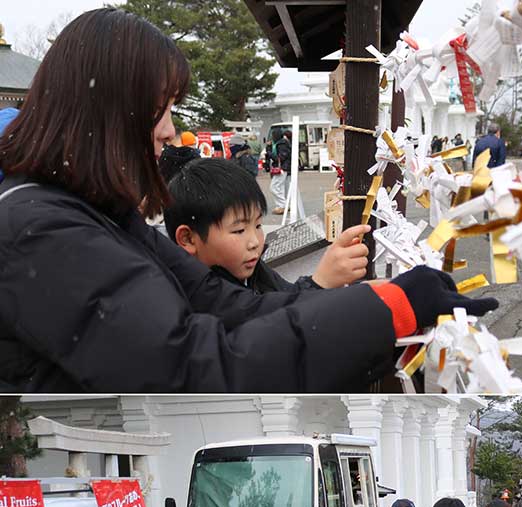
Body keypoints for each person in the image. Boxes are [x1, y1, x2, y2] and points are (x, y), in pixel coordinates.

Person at [0, 10, 493, 392]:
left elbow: (226, 306)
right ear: (107, 113)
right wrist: (383, 312)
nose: (170, 131)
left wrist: (379, 301)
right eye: (159, 111)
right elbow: (194, 368)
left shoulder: (100, 214)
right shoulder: (41, 232)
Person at [165, 158, 368, 293]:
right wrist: (319, 283)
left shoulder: (253, 271)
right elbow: (267, 323)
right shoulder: (194, 300)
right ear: (188, 239)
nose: (255, 242)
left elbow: (286, 296)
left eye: (259, 225)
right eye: (239, 230)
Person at [266, 128, 291, 213]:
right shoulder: (281, 143)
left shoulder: (281, 144)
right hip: (284, 168)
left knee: (274, 187)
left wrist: (269, 152)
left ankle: (282, 205)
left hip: (282, 168)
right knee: (280, 187)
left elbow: (280, 157)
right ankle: (283, 205)